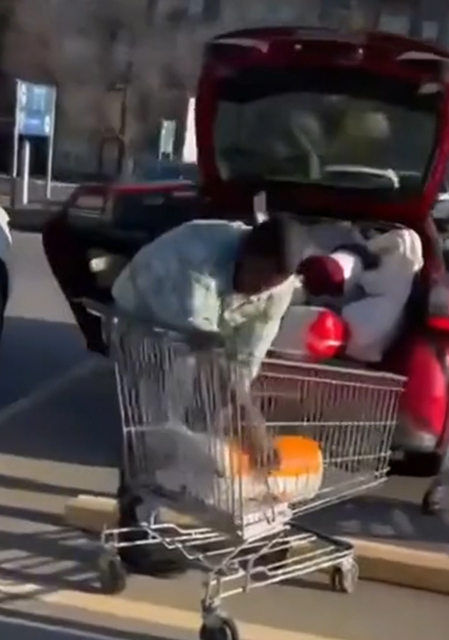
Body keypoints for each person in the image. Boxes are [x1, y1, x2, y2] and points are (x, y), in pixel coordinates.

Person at [101, 215, 306, 577]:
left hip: (205, 336)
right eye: (257, 278)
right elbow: (203, 347)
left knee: (211, 428)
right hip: (144, 321)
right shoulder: (198, 263)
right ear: (244, 254)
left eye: (271, 284)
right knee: (154, 425)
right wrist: (251, 419)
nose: (260, 290)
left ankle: (246, 523)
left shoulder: (279, 288)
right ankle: (135, 528)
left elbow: (246, 357)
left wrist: (240, 413)